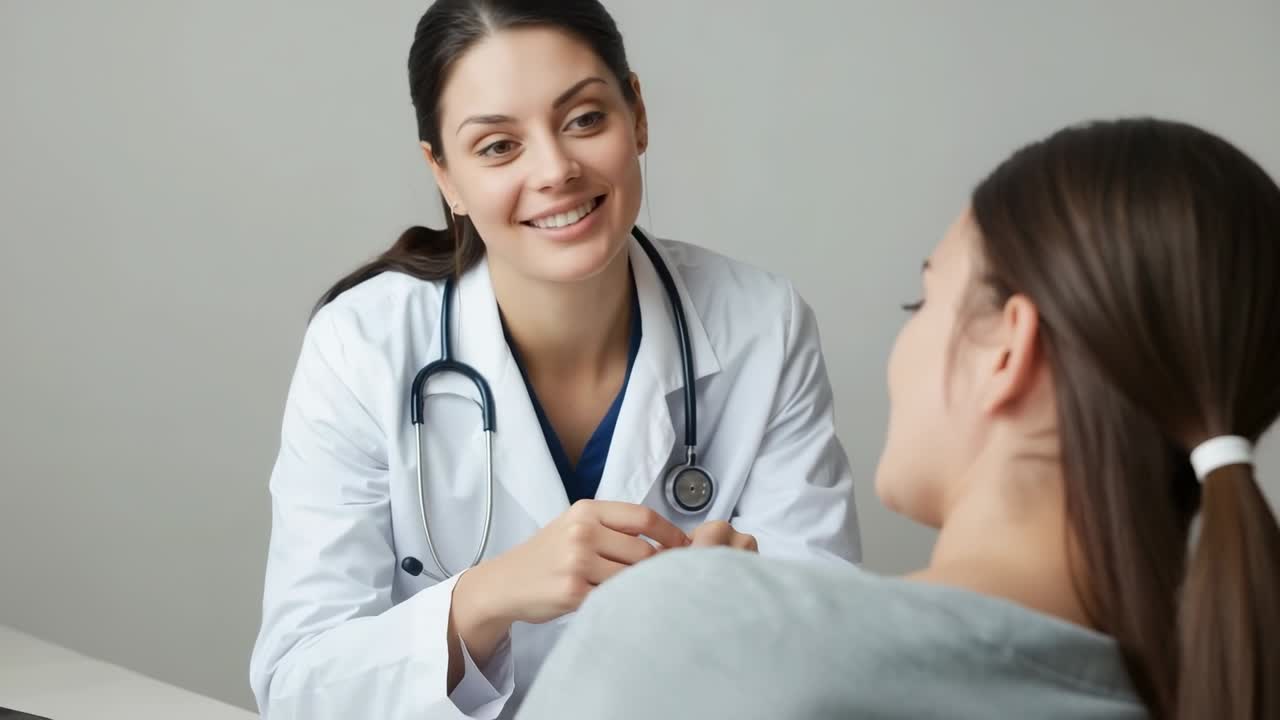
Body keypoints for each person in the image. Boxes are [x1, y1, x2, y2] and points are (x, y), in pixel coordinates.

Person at [516, 118, 1280, 720]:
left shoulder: (686, 629)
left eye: (925, 301)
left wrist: (709, 620)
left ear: (1006, 351)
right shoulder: (1204, 693)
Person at [248, 1, 860, 718]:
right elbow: (298, 688)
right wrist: (489, 596)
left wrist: (748, 614)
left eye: (585, 120)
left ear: (637, 115)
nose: (556, 170)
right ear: (445, 177)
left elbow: (835, 660)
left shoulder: (763, 325)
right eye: (499, 146)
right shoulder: (361, 347)